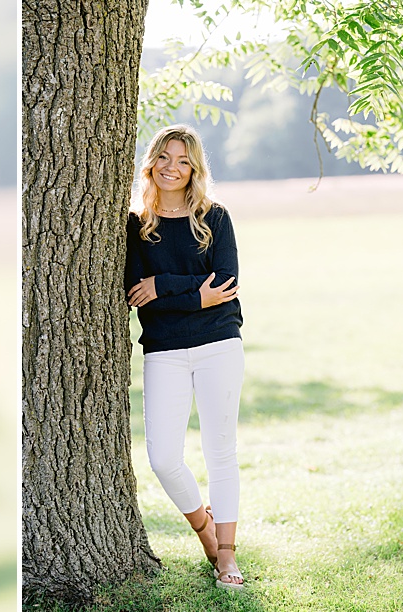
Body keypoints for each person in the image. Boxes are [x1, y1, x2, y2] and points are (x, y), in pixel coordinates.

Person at [124, 124, 245, 589]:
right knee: (163, 457)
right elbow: (137, 292)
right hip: (165, 350)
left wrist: (167, 287)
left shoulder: (215, 217)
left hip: (218, 343)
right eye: (163, 158)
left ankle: (228, 556)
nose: (172, 168)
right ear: (151, 162)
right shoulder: (137, 225)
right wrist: (195, 292)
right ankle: (206, 532)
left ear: (195, 168)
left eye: (183, 160)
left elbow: (227, 284)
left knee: (221, 451)